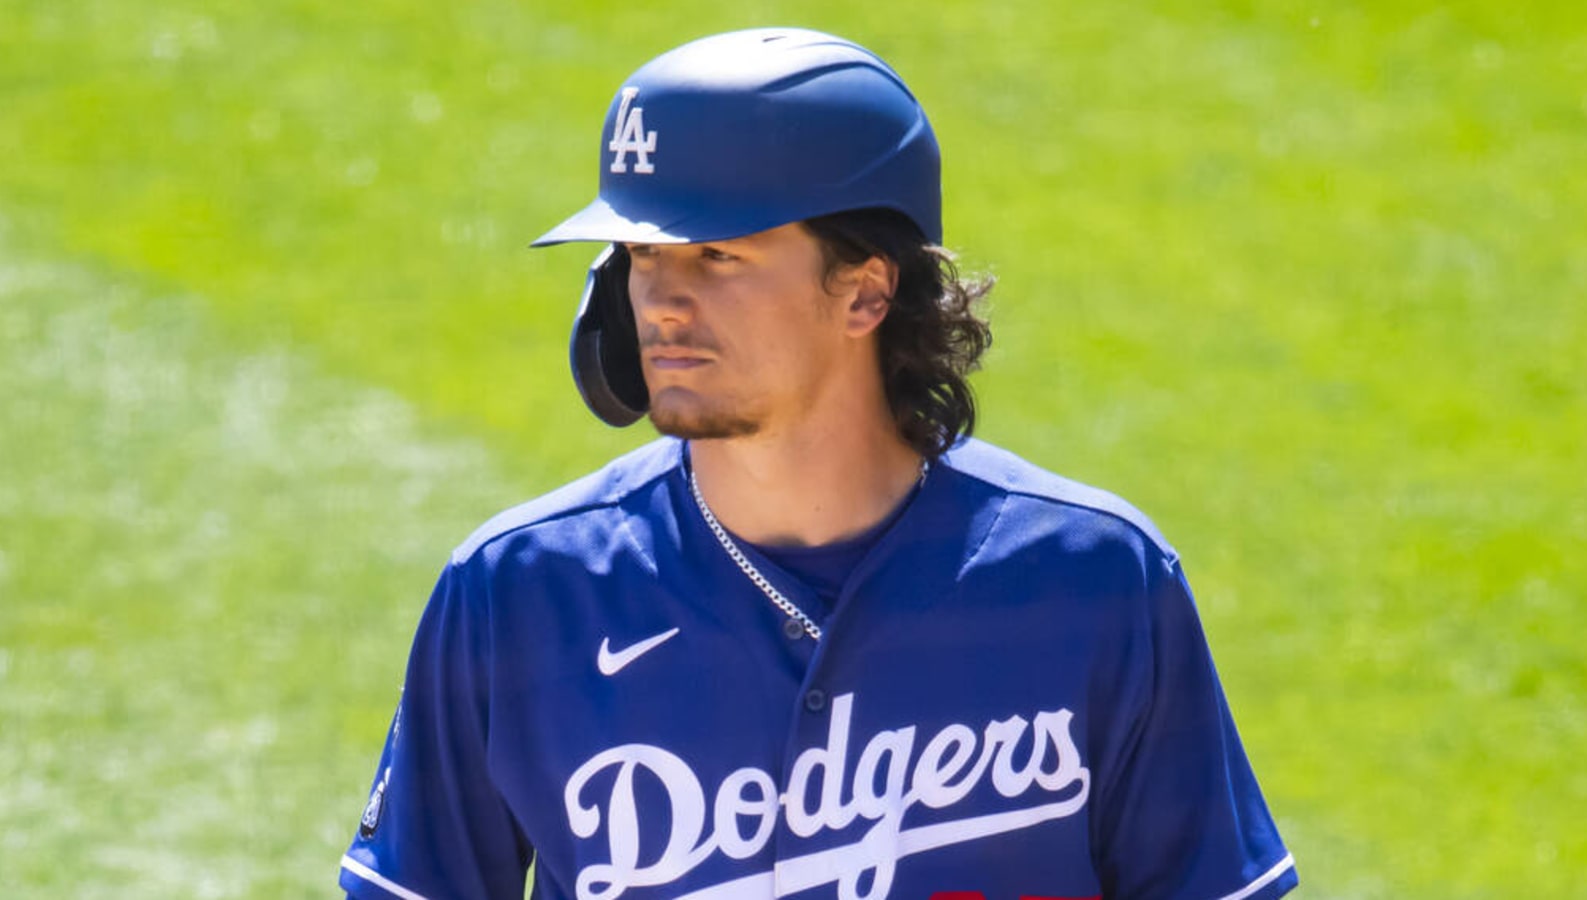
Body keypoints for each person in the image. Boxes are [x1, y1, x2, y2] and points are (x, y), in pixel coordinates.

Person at [337, 27, 1297, 900]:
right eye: (638, 254)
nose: (661, 301)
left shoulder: (1093, 579)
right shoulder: (519, 593)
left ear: (866, 292)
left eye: (716, 255)